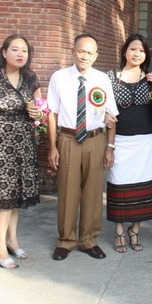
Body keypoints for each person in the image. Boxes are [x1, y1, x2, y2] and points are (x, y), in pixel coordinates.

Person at [47, 34, 118, 261]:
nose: (84, 56)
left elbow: (111, 115)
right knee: (67, 190)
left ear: (96, 56)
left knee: (93, 191)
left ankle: (89, 240)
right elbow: (52, 114)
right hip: (68, 139)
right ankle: (65, 240)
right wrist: (52, 146)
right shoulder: (59, 77)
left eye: (89, 52)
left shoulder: (102, 79)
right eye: (81, 51)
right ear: (73, 52)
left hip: (95, 139)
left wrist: (110, 147)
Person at [0, 34, 43, 269]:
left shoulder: (30, 78)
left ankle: (12, 239)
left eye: (24, 50)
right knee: (4, 196)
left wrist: (37, 114)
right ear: (4, 52)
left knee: (17, 195)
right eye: (15, 49)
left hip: (23, 142)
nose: (20, 54)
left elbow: (40, 109)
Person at [105, 34, 152, 253]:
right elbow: (102, 107)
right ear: (124, 51)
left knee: (143, 185)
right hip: (119, 140)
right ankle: (119, 231)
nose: (137, 54)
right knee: (118, 184)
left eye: (142, 50)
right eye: (133, 49)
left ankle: (135, 230)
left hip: (145, 142)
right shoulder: (110, 78)